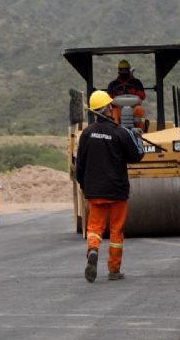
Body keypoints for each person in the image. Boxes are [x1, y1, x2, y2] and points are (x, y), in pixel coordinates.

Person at [76, 90, 144, 283]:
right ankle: (114, 270)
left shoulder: (87, 133)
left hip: (95, 190)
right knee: (116, 232)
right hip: (117, 192)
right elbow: (136, 156)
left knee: (95, 228)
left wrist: (84, 185)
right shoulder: (121, 132)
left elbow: (80, 164)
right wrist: (136, 137)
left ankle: (93, 250)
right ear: (108, 108)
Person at [107, 59, 147, 129]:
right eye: (121, 69)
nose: (123, 71)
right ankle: (115, 132)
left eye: (125, 69)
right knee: (113, 113)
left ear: (129, 70)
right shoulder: (113, 84)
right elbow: (108, 99)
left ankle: (141, 130)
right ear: (119, 71)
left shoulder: (136, 82)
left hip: (134, 108)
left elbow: (142, 96)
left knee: (140, 110)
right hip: (118, 109)